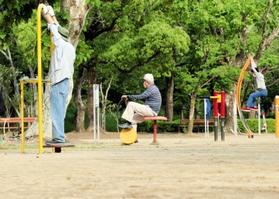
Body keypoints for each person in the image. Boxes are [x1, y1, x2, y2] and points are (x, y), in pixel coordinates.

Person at [40, 4, 76, 145]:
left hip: (58, 83)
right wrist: (52, 12)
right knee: (59, 112)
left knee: (55, 113)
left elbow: (54, 27)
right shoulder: (70, 47)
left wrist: (45, 11)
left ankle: (59, 138)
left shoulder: (60, 44)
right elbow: (58, 27)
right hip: (65, 82)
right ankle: (59, 136)